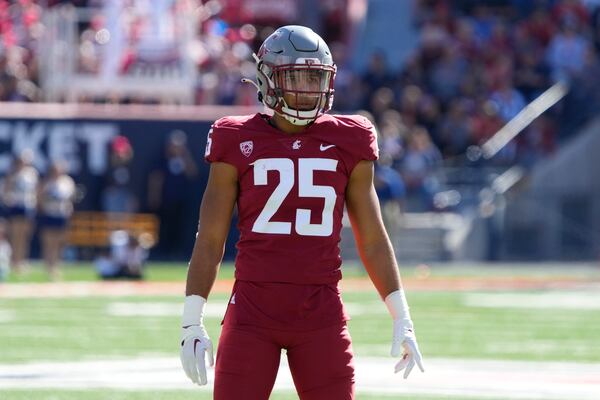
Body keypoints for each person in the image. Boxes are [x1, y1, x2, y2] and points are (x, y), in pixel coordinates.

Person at [179, 25, 424, 400]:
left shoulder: (350, 138)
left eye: (315, 78)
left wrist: (402, 316)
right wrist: (191, 321)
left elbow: (372, 238)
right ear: (267, 79)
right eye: (296, 77)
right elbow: (210, 239)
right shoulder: (235, 137)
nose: (307, 89)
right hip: (251, 312)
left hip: (321, 312)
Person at [37, 160, 76, 280]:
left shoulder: (67, 182)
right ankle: (48, 266)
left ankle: (56, 266)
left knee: (59, 243)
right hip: (49, 214)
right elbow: (40, 198)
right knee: (48, 242)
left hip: (61, 215)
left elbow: (71, 199)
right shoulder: (46, 183)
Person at [1, 150, 38, 274]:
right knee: (15, 235)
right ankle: (14, 260)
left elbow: (36, 191)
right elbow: (6, 190)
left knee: (25, 236)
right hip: (16, 206)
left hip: (27, 206)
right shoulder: (12, 174)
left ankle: (22, 260)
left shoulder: (32, 174)